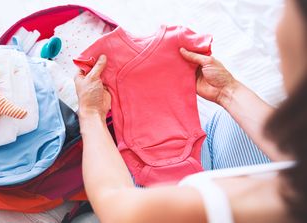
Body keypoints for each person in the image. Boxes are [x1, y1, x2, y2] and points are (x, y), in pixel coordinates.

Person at [73, 0, 306, 222]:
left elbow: (117, 207)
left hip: (158, 200)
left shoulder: (266, 204)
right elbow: (294, 150)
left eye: (286, 11)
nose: (278, 27)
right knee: (228, 120)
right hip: (188, 162)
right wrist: (228, 90)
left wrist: (91, 114)